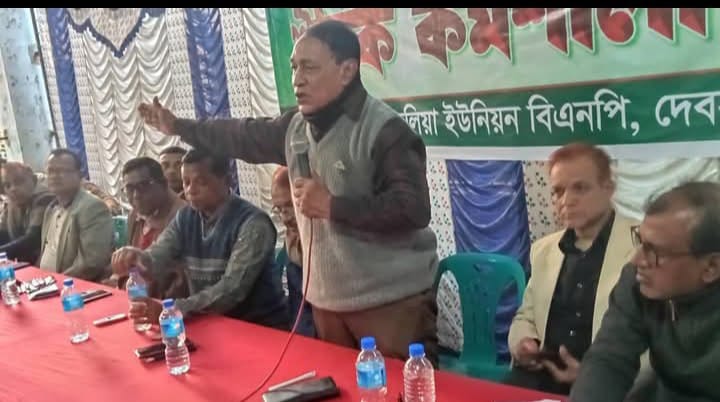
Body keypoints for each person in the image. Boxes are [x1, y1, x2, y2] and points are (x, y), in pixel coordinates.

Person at [138, 19, 439, 364]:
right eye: (294, 67)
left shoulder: (384, 130)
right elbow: (240, 135)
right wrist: (178, 126)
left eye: (309, 67)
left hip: (390, 304)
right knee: (342, 386)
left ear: (347, 71)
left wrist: (332, 206)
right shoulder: (295, 127)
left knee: (401, 387)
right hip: (328, 302)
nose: (297, 79)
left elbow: (413, 208)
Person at [506, 143, 638, 395]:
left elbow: (656, 338)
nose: (566, 201)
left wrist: (594, 376)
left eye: (580, 188)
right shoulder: (544, 250)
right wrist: (524, 342)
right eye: (558, 191)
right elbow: (526, 316)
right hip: (541, 375)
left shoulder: (641, 246)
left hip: (609, 385)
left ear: (608, 189)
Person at [570, 182, 720, 402]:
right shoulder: (636, 281)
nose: (636, 260)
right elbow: (609, 358)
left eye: (655, 252)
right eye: (640, 241)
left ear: (711, 267)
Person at [111, 149, 288, 330]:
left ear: (227, 181)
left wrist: (174, 309)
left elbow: (231, 290)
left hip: (259, 327)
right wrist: (139, 258)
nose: (191, 190)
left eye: (201, 182)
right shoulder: (186, 217)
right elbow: (159, 255)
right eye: (186, 182)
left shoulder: (253, 223)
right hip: (210, 323)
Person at [103, 157, 187, 299]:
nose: (136, 195)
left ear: (163, 184)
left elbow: (179, 280)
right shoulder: (134, 215)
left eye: (143, 186)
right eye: (129, 189)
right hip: (137, 296)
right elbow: (129, 268)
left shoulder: (184, 217)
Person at [38, 149, 114, 282]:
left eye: (62, 171)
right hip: (46, 282)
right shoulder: (51, 208)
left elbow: (91, 263)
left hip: (73, 286)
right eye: (50, 171)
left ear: (79, 175)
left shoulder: (92, 207)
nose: (55, 176)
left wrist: (57, 282)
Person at [272, 166, 315, 337]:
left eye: (290, 206)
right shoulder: (291, 241)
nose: (285, 217)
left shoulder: (329, 245)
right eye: (279, 209)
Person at [0, 162, 54, 262]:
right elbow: (3, 235)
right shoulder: (11, 204)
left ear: (33, 179)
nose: (13, 189)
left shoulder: (44, 198)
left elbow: (32, 239)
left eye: (19, 182)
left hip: (44, 263)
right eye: (7, 185)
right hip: (23, 262)